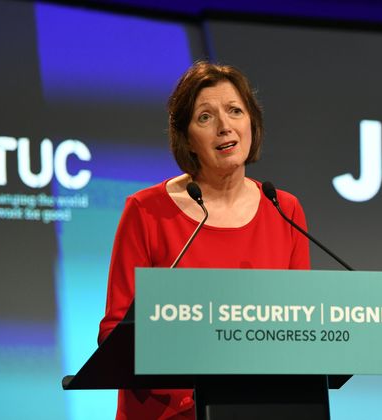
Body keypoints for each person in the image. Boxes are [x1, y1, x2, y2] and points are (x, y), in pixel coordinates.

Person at [98, 61, 311, 420]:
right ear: (186, 138)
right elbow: (115, 334)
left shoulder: (284, 209)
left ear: (252, 123)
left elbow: (300, 327)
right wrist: (200, 389)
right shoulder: (147, 211)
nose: (225, 126)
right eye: (205, 118)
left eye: (234, 111)